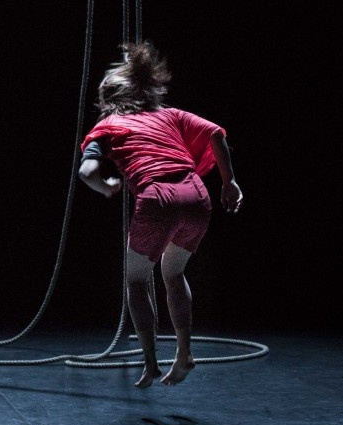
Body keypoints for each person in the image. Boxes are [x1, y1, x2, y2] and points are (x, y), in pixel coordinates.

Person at [79, 42, 242, 388]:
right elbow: (216, 133)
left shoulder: (107, 126)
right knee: (174, 273)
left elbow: (87, 171)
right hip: (197, 197)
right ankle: (184, 353)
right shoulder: (170, 115)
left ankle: (151, 362)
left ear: (109, 100)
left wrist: (106, 187)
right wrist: (229, 183)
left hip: (157, 199)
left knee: (137, 280)